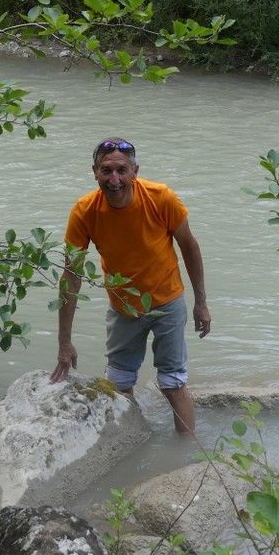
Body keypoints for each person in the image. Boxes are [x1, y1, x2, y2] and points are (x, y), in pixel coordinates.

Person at [50, 136, 211, 434]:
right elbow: (71, 275)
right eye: (106, 171)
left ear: (135, 171)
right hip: (123, 307)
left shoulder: (161, 198)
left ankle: (187, 455)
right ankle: (131, 445)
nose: (114, 180)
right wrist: (64, 342)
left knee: (173, 385)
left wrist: (201, 303)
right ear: (94, 172)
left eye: (122, 170)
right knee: (119, 386)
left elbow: (190, 247)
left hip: (167, 302)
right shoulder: (85, 211)